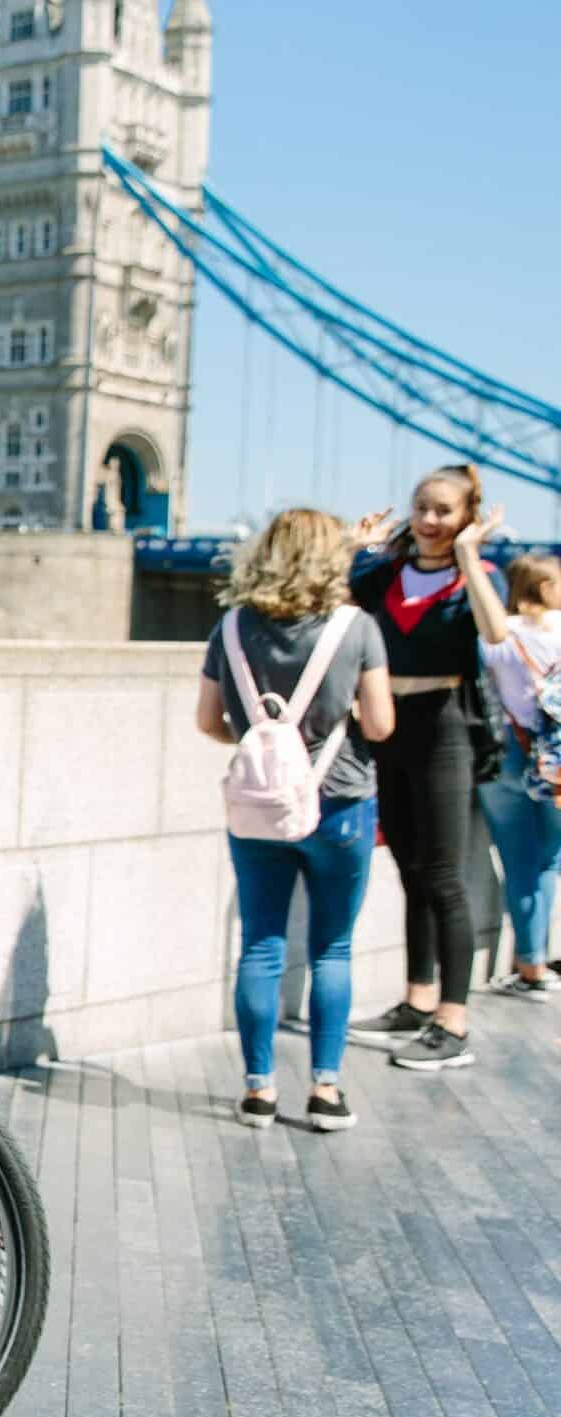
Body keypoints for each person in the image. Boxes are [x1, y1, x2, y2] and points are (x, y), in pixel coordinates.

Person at [197, 509, 395, 1130]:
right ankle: (326, 1091)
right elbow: (381, 725)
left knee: (260, 944)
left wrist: (265, 741)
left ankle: (258, 1091)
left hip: (257, 808)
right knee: (331, 948)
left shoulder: (230, 628)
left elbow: (208, 722)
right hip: (340, 802)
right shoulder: (356, 628)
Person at [346, 468, 503, 1072]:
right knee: (411, 870)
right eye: (422, 508)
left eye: (444, 510)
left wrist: (468, 557)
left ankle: (453, 1021)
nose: (430, 520)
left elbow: (494, 633)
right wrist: (353, 551)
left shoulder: (478, 578)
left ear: (466, 516)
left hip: (446, 729)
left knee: (443, 875)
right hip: (387, 726)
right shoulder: (384, 573)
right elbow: (326, 604)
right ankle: (416, 1001)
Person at [472, 551, 561, 1000]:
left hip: (505, 752)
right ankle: (537, 960)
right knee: (549, 860)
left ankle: (530, 962)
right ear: (545, 587)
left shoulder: (497, 639)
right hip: (558, 759)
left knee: (518, 861)